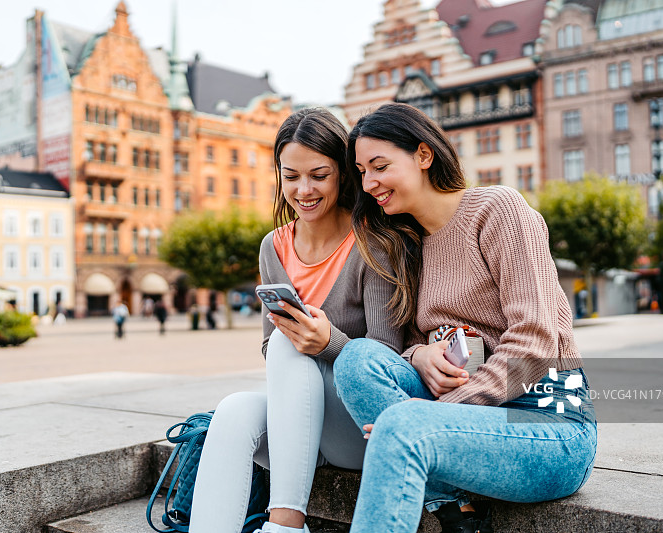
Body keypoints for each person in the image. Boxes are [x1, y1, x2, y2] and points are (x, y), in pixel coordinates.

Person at [333, 103, 597, 533]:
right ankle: (456, 509)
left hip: (550, 421)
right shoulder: (407, 243)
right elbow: (408, 343)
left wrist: (442, 410)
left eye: (379, 166)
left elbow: (537, 340)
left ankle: (447, 497)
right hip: (459, 420)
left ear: (423, 155)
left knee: (403, 423)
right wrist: (419, 355)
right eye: (362, 171)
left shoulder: (498, 209)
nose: (370, 183)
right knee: (356, 359)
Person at [188, 108, 403, 533]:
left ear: (343, 173)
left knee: (291, 341)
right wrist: (296, 343)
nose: (304, 190)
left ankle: (285, 524)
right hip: (299, 428)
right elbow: (273, 347)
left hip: (358, 428)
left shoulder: (374, 244)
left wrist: (327, 343)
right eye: (291, 177)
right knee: (233, 410)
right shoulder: (274, 246)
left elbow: (389, 359)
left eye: (318, 175)